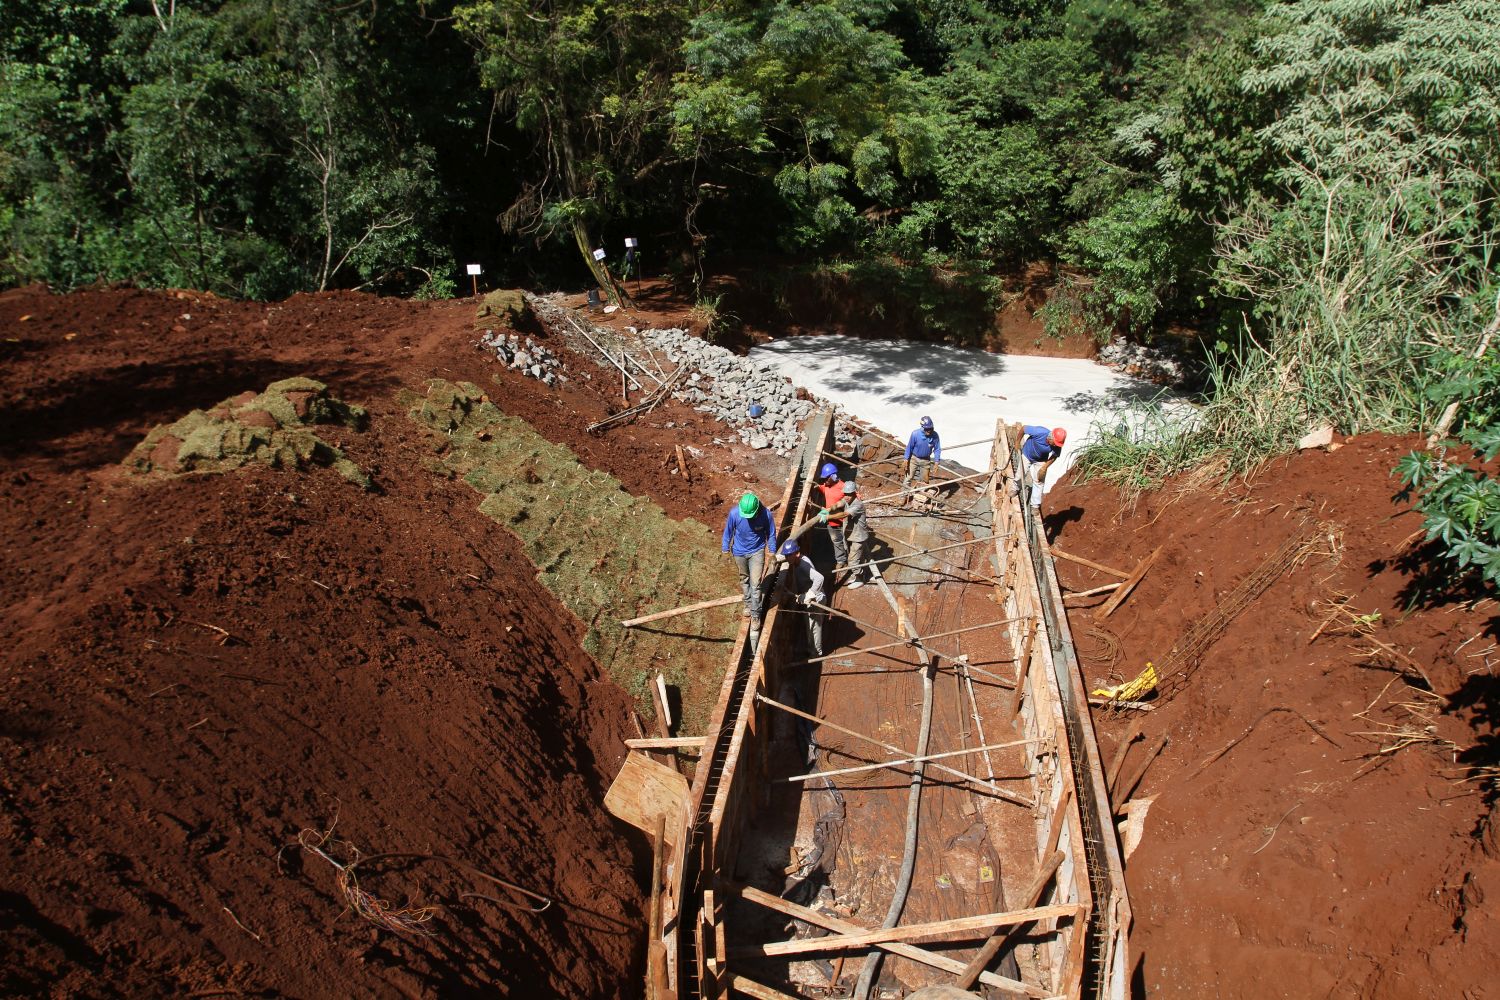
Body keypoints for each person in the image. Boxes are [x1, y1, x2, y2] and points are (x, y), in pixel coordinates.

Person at [722, 492, 778, 618]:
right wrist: (725, 550)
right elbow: (728, 532)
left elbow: (771, 534)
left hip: (756, 552)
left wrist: (772, 552)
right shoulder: (735, 513)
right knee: (744, 579)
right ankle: (748, 604)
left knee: (756, 584)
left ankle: (756, 614)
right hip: (739, 552)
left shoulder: (766, 515)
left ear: (757, 509)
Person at [775, 539, 826, 656]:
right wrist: (778, 558)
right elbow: (789, 557)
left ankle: (816, 652)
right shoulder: (797, 559)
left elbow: (820, 578)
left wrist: (810, 594)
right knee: (809, 625)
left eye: (789, 555)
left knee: (814, 627)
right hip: (807, 597)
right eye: (786, 556)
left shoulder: (803, 565)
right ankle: (811, 648)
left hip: (816, 599)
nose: (787, 558)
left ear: (797, 553)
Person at [1016, 425, 1066, 507]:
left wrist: (1045, 467)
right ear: (1051, 438)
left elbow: (1055, 456)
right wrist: (1017, 442)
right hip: (1027, 454)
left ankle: (1035, 504)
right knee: (1020, 474)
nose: (1055, 445)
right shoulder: (1040, 432)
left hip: (1041, 459)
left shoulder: (1057, 445)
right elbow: (1023, 428)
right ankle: (1015, 488)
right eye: (1055, 443)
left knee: (1039, 480)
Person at [814, 461, 848, 569]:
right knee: (836, 541)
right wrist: (817, 486)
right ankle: (841, 560)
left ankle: (852, 562)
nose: (824, 481)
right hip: (831, 521)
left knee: (847, 541)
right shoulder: (827, 486)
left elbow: (856, 498)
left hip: (844, 521)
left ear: (833, 476)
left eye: (826, 478)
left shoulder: (844, 487)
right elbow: (824, 489)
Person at [840, 481, 873, 588]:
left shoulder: (858, 505)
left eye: (848, 494)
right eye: (845, 494)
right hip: (853, 535)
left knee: (853, 560)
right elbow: (839, 503)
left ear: (854, 493)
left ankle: (860, 578)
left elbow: (845, 514)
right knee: (857, 557)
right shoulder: (847, 500)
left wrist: (828, 517)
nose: (846, 497)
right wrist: (827, 510)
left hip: (858, 537)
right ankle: (862, 574)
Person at [902, 416, 941, 494]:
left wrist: (937, 462)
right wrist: (906, 459)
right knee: (908, 478)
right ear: (922, 427)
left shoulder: (935, 436)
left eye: (930, 428)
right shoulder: (915, 434)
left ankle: (921, 496)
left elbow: (937, 449)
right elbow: (909, 447)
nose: (929, 431)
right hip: (914, 458)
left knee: (925, 480)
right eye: (927, 429)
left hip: (926, 460)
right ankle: (904, 495)